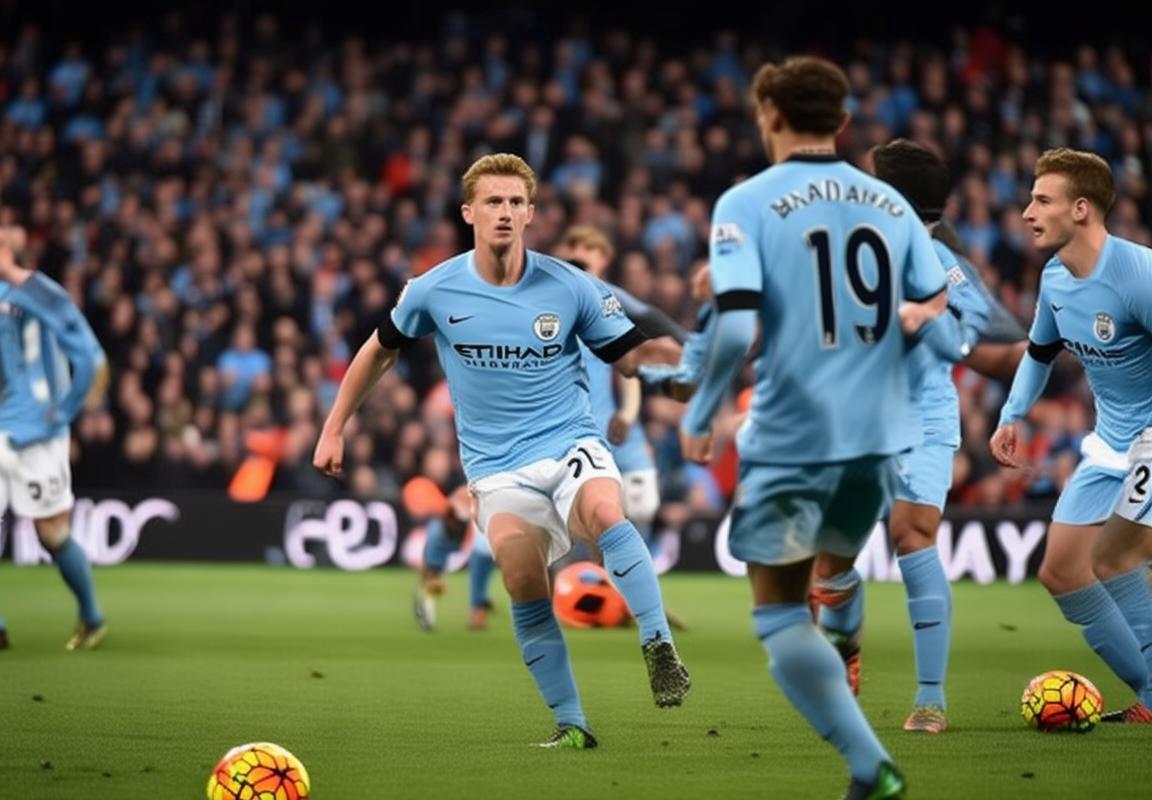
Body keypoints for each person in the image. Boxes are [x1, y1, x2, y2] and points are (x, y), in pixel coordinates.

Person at [314, 153, 690, 749]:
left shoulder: (571, 286)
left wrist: (682, 377)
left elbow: (632, 357)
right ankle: (572, 724)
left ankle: (657, 642)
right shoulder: (434, 289)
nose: (506, 212)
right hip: (496, 467)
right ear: (469, 212)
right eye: (494, 201)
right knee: (519, 571)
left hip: (570, 441)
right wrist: (334, 426)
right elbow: (379, 349)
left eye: (517, 202)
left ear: (532, 213)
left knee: (604, 511)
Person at [680, 57, 951, 800]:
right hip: (879, 443)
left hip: (794, 435)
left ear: (768, 114)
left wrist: (702, 411)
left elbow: (736, 328)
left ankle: (871, 768)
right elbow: (936, 315)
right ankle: (842, 639)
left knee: (776, 613)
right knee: (832, 571)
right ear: (843, 122)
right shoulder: (892, 206)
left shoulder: (745, 201)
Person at [809, 139, 1025, 735]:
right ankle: (846, 647)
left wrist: (936, 326)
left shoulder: (939, 259)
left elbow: (976, 323)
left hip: (923, 415)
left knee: (913, 535)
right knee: (831, 565)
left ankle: (931, 698)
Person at [990, 148, 1152, 723]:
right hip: (1110, 444)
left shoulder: (1138, 275)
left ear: (1080, 209)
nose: (1027, 211)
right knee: (1060, 571)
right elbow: (1039, 352)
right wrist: (1012, 414)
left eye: (1042, 200)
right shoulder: (1056, 276)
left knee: (1113, 557)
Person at [0, 224, 108, 651]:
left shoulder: (37, 291)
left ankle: (92, 617)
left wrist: (64, 411)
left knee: (53, 534)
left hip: (37, 435)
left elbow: (91, 357)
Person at [410, 481, 497, 631]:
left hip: (495, 507)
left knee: (483, 547)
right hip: (467, 510)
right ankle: (428, 587)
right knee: (442, 535)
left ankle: (478, 604)